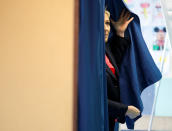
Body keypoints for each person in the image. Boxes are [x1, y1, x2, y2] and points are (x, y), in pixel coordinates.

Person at [104, 9, 140, 131]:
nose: (106, 29)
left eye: (107, 23)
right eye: (101, 23)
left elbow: (115, 64)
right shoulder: (87, 58)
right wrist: (124, 109)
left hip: (111, 119)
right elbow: (92, 98)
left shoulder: (104, 49)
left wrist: (119, 33)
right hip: (101, 118)